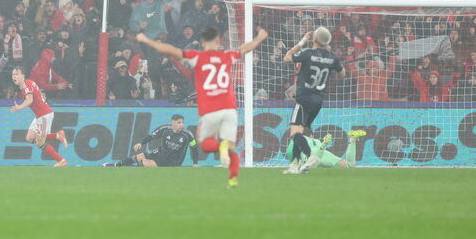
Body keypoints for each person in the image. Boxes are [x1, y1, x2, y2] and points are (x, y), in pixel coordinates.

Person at [136, 26, 268, 187]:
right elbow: (244, 49)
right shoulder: (226, 56)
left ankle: (221, 148)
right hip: (229, 108)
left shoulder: (197, 57)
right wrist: (259, 37)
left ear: (203, 43)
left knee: (205, 144)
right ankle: (232, 177)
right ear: (218, 42)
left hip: (211, 109)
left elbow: (171, 50)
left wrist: (147, 40)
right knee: (229, 146)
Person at [281, 27, 345, 173]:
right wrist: (331, 66)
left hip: (304, 98)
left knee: (295, 134)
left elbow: (287, 57)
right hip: (318, 100)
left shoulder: (308, 53)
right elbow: (342, 74)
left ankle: (311, 156)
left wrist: (302, 41)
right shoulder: (333, 57)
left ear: (314, 39)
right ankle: (294, 165)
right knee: (300, 132)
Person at [9, 66, 69, 167]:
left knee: (40, 142)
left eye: (17, 74)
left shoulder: (26, 86)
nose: (14, 76)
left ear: (23, 76)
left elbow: (30, 100)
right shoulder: (28, 84)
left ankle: (61, 160)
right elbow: (38, 96)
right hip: (39, 115)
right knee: (29, 138)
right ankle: (58, 135)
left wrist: (19, 107)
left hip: (44, 115)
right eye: (13, 74)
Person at [104, 114, 198, 167]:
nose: (181, 125)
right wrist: (141, 143)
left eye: (182, 123)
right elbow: (151, 136)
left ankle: (132, 166)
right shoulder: (165, 129)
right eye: (179, 122)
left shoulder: (188, 135)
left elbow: (194, 148)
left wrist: (195, 163)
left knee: (144, 163)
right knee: (137, 157)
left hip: (172, 162)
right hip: (161, 152)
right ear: (172, 122)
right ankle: (116, 165)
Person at [287, 130, 367, 174]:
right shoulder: (316, 140)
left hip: (310, 156)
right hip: (321, 153)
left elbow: (289, 152)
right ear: (311, 135)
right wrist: (323, 144)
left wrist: (294, 161)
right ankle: (352, 139)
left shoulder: (297, 139)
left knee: (313, 160)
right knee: (350, 164)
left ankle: (352, 139)